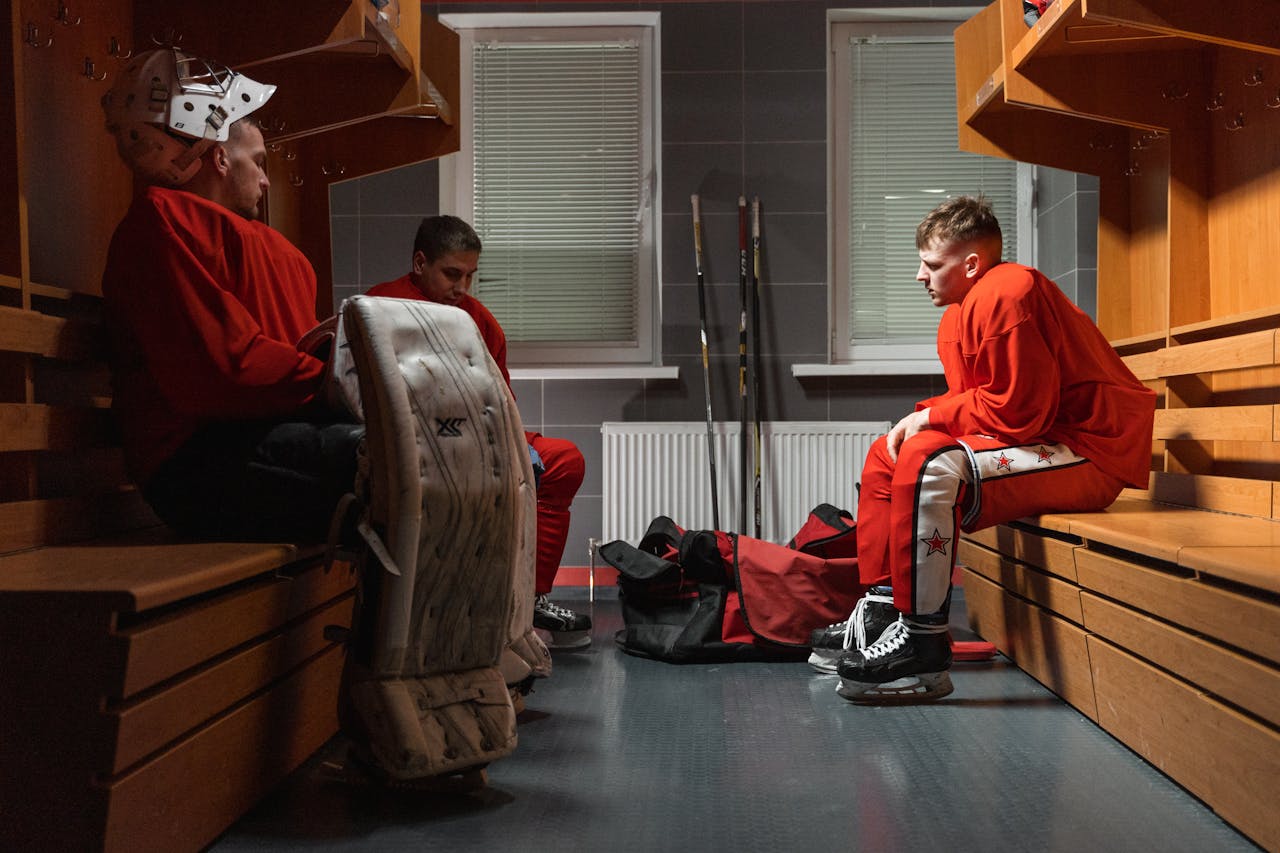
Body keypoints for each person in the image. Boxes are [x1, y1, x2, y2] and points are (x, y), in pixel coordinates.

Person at [830, 195, 1155, 704]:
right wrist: (921, 419)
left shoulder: (1008, 290)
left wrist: (931, 417)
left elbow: (1018, 415)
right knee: (888, 453)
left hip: (1090, 449)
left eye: (932, 264)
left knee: (930, 461)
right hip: (1048, 442)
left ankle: (922, 643)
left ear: (972, 264)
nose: (920, 276)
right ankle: (882, 614)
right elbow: (984, 407)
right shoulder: (959, 316)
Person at [100, 48, 362, 542]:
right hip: (195, 462)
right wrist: (339, 379)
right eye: (258, 161)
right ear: (218, 156)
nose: (265, 178)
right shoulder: (161, 222)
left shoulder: (277, 251)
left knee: (423, 451)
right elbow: (225, 372)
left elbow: (281, 361)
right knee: (400, 461)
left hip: (254, 437)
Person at [367, 216, 592, 649]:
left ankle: (531, 599)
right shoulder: (381, 307)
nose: (462, 287)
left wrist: (511, 443)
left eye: (470, 275)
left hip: (479, 429)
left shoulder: (477, 319)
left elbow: (500, 396)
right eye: (452, 273)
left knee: (564, 460)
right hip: (416, 438)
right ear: (419, 262)